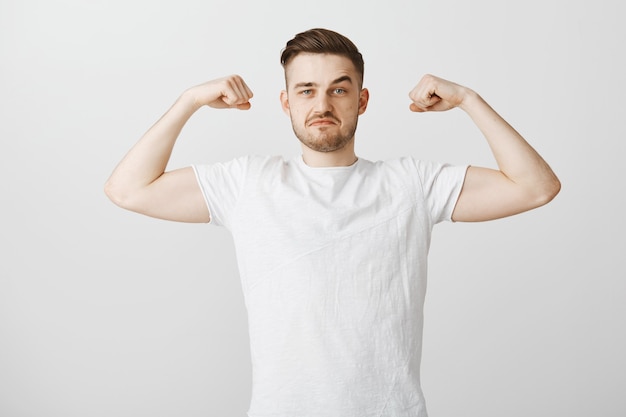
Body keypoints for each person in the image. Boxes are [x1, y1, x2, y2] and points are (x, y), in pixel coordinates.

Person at [105, 28, 560, 417]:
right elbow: (128, 189)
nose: (322, 103)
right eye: (306, 90)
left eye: (339, 89)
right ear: (286, 102)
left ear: (361, 101)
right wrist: (189, 100)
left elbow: (535, 187)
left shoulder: (410, 184)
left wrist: (468, 99)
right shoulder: (247, 184)